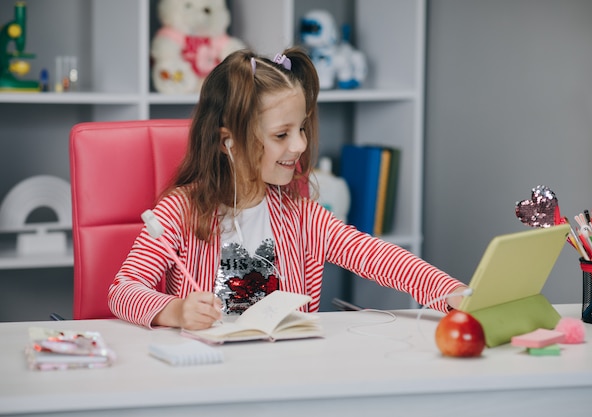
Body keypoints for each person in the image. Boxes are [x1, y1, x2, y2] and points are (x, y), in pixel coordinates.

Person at [109, 47, 469, 330]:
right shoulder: (180, 211)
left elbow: (378, 257)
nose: (298, 145)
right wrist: (176, 310)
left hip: (288, 370)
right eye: (281, 135)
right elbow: (122, 291)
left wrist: (452, 294)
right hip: (211, 373)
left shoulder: (299, 214)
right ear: (227, 142)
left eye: (301, 129)